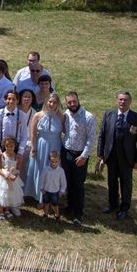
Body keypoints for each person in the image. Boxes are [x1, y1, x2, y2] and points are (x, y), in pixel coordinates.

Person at [97, 90, 137, 221]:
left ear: (130, 102)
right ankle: (113, 204)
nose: (123, 102)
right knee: (112, 181)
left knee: (126, 183)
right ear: (117, 100)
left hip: (127, 157)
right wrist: (100, 154)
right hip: (111, 155)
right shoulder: (109, 114)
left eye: (126, 100)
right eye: (121, 99)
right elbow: (102, 135)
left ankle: (124, 208)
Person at [61, 92, 95, 225]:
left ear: (78, 100)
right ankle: (70, 207)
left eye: (74, 101)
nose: (72, 104)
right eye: (69, 102)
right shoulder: (66, 115)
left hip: (80, 155)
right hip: (67, 152)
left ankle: (78, 213)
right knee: (68, 182)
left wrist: (84, 156)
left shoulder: (88, 117)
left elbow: (91, 138)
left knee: (78, 185)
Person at [24, 93, 65, 204]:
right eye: (50, 101)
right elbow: (32, 134)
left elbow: (66, 131)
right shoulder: (38, 115)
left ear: (58, 104)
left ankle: (53, 196)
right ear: (46, 101)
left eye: (54, 102)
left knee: (53, 170)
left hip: (55, 145)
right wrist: (33, 148)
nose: (51, 104)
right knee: (41, 169)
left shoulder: (61, 116)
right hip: (41, 145)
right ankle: (39, 196)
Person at [0, 136, 24, 221]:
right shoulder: (1, 156)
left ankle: (7, 210)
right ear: (4, 146)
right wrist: (4, 175)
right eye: (7, 146)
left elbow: (18, 168)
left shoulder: (17, 157)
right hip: (3, 179)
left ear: (15, 146)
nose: (9, 148)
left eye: (12, 146)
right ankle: (1, 212)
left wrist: (15, 176)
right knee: (2, 195)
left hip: (12, 179)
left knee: (9, 195)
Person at [40, 150, 66, 220]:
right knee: (46, 203)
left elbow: (63, 182)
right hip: (46, 190)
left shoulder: (61, 171)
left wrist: (61, 191)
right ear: (49, 160)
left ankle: (57, 214)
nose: (54, 163)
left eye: (56, 162)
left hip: (55, 191)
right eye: (52, 161)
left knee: (55, 204)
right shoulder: (46, 169)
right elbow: (42, 179)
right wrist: (42, 188)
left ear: (59, 160)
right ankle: (45, 214)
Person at [17, 89, 37, 181]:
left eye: (29, 97)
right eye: (25, 96)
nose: (27, 99)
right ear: (20, 98)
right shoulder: (15, 110)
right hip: (14, 142)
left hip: (27, 144)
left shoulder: (34, 113)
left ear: (32, 99)